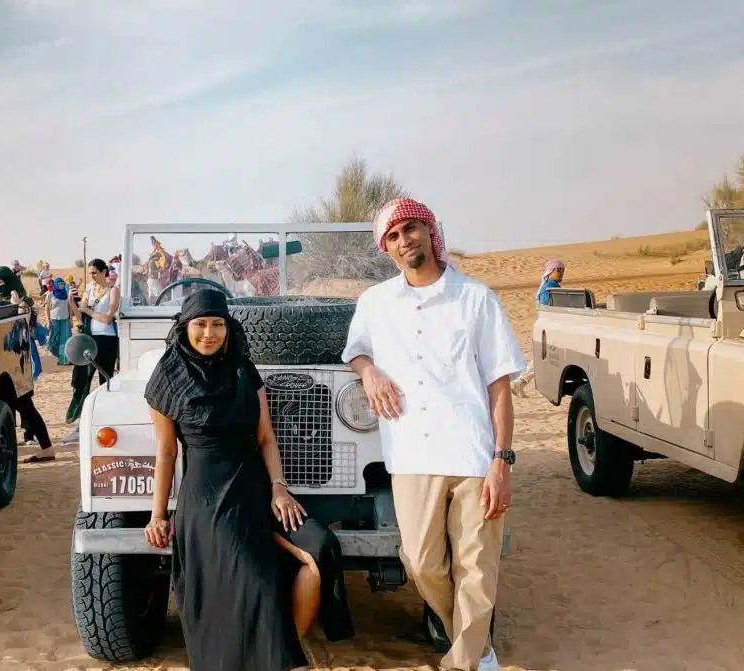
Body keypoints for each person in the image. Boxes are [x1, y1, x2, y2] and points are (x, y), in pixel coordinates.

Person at [341, 197, 523, 671]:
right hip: (410, 453)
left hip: (473, 453)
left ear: (430, 230)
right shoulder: (375, 302)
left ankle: (465, 661)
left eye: (412, 229)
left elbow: (500, 387)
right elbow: (355, 351)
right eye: (395, 236)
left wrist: (502, 461)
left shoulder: (477, 298)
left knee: (477, 569)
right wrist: (369, 373)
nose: (405, 241)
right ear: (387, 248)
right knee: (421, 561)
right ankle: (477, 644)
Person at [143, 289, 353, 671]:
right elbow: (167, 452)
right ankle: (283, 662)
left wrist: (279, 487)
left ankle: (279, 651)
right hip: (209, 500)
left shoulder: (243, 368)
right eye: (201, 324)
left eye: (218, 324)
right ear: (185, 328)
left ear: (229, 327)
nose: (209, 333)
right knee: (255, 580)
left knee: (321, 549)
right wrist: (159, 514)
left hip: (258, 488)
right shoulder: (167, 377)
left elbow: (266, 437)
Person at [0, 266, 56, 465]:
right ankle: (45, 449)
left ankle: (45, 449)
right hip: (0, 364)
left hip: (17, 363)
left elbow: (25, 322)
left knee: (24, 408)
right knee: (17, 409)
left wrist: (16, 304)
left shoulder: (24, 302)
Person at [65, 259, 120, 429]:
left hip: (107, 339)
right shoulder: (89, 289)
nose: (92, 276)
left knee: (105, 379)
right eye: (90, 273)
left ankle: (106, 418)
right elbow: (80, 316)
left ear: (104, 272)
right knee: (84, 379)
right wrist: (71, 302)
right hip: (89, 338)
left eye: (95, 272)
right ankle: (83, 421)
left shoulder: (113, 291)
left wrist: (88, 310)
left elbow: (107, 318)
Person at [510, 258, 564, 397]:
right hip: (548, 329)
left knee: (541, 358)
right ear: (550, 271)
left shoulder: (546, 285)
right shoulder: (550, 287)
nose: (561, 273)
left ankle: (519, 383)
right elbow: (548, 308)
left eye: (563, 270)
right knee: (543, 358)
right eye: (558, 270)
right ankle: (519, 383)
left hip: (544, 328)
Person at [45, 277, 73, 365]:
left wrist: (71, 319)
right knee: (53, 340)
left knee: (65, 340)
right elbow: (46, 309)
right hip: (54, 320)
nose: (62, 286)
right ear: (56, 285)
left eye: (63, 284)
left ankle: (64, 360)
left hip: (65, 320)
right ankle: (58, 355)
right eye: (60, 284)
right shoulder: (50, 295)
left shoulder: (66, 294)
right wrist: (48, 321)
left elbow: (69, 307)